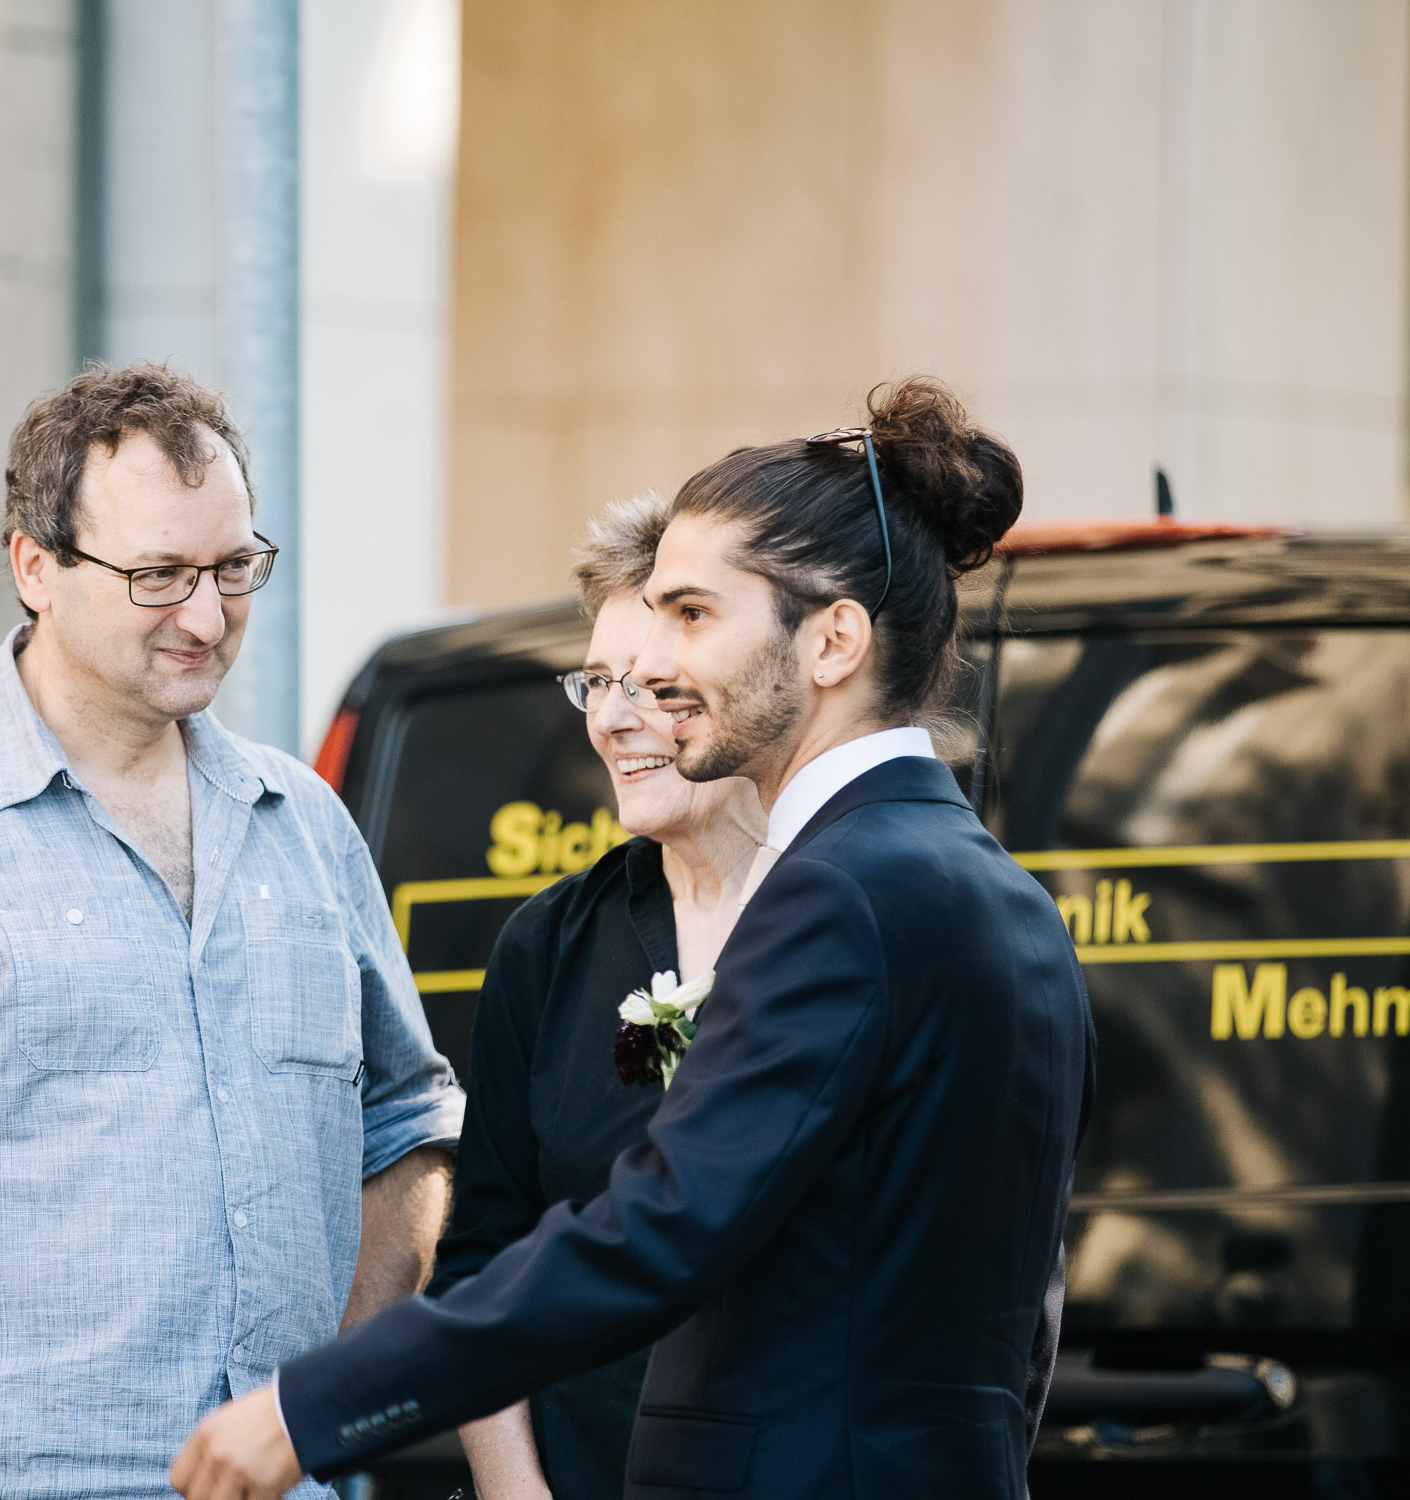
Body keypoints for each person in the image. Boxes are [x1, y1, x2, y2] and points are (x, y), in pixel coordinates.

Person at [170, 376, 1096, 1500]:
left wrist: (314, 1405)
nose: (652, 671)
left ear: (834, 641)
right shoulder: (1003, 899)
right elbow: (1019, 1339)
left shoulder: (839, 893)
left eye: (695, 616)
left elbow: (660, 1228)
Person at [0, 363, 464, 1500]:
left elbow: (405, 1127)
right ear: (35, 567)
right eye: (159, 575)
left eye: (232, 568)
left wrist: (316, 1414)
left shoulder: (304, 824)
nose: (207, 617)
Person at [442, 494, 766, 1500]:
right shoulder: (549, 945)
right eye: (596, 680)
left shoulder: (842, 917)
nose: (614, 717)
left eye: (653, 684)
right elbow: (480, 1266)